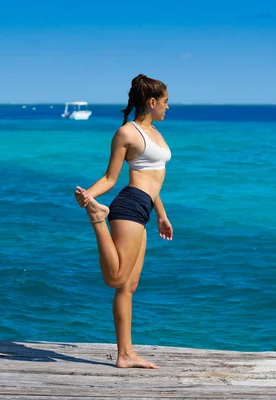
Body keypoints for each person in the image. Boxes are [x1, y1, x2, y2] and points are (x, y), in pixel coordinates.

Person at [74, 73, 173, 369]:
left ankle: (126, 355)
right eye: (166, 102)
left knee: (128, 287)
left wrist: (162, 215)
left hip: (145, 207)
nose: (168, 107)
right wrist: (88, 197)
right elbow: (110, 177)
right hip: (129, 206)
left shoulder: (155, 131)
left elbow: (153, 180)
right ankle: (98, 219)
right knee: (116, 278)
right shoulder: (127, 133)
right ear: (152, 102)